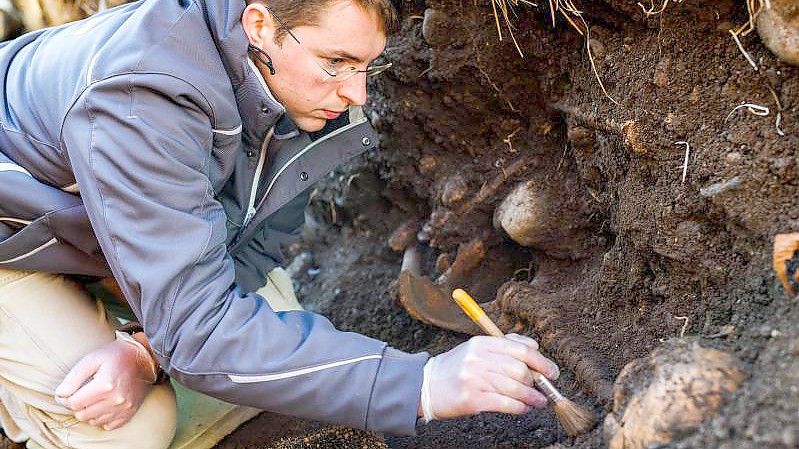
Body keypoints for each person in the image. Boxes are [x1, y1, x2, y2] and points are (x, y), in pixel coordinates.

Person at [0, 0, 561, 447]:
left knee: (276, 331)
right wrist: (423, 385)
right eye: (335, 64)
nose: (355, 93)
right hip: (13, 241)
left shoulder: (292, 87)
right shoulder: (140, 98)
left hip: (86, 231)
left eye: (366, 66)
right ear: (260, 25)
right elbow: (202, 336)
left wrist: (147, 349)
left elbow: (253, 244)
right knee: (131, 428)